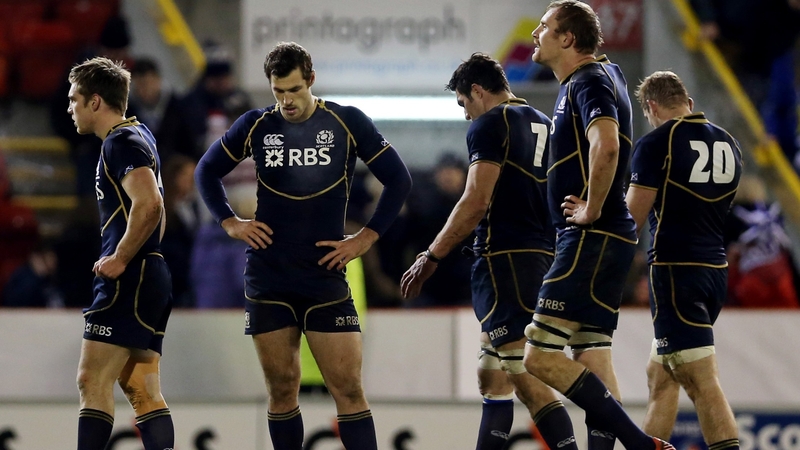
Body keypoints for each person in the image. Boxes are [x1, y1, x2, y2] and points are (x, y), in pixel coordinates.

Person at [194, 41, 412, 450]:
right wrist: (229, 222)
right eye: (278, 92)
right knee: (281, 389)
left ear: (311, 80)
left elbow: (399, 179)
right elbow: (206, 170)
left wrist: (366, 238)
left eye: (294, 90)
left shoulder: (346, 122)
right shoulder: (257, 125)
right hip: (268, 276)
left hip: (324, 276)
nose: (287, 101)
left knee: (347, 389)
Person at [401, 53, 578, 450]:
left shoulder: (489, 124)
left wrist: (431, 256)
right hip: (539, 255)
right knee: (492, 376)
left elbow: (475, 201)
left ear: (477, 92)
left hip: (506, 261)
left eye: (464, 104)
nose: (466, 115)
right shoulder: (545, 123)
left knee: (529, 382)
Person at [523, 2, 675, 450]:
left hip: (590, 236)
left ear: (568, 38)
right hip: (608, 237)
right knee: (591, 356)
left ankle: (639, 444)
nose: (535, 33)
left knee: (538, 356)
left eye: (545, 26)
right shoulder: (602, 77)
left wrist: (591, 206)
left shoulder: (587, 80)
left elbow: (606, 146)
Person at [627, 71, 742, 450]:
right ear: (689, 104)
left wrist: (590, 213)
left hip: (676, 275)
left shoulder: (657, 143)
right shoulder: (730, 144)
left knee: (700, 380)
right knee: (660, 375)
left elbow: (632, 219)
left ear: (651, 107)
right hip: (715, 273)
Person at [67, 57, 174, 450]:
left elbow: (150, 206)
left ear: (96, 102)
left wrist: (122, 258)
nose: (70, 108)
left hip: (129, 277)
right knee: (141, 389)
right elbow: (156, 211)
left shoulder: (120, 142)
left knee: (91, 380)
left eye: (75, 99)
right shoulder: (140, 134)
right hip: (150, 273)